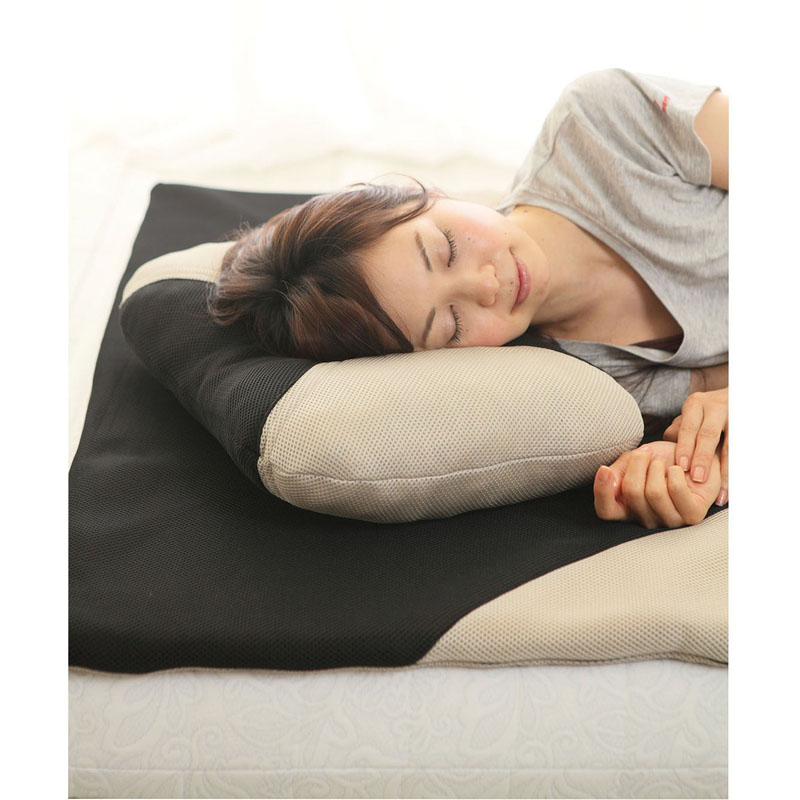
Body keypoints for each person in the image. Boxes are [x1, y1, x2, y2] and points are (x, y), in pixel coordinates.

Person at [208, 69, 728, 530]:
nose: (486, 286)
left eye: (447, 248)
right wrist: (684, 463)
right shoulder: (586, 390)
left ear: (426, 194)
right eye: (451, 325)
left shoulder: (602, 123)